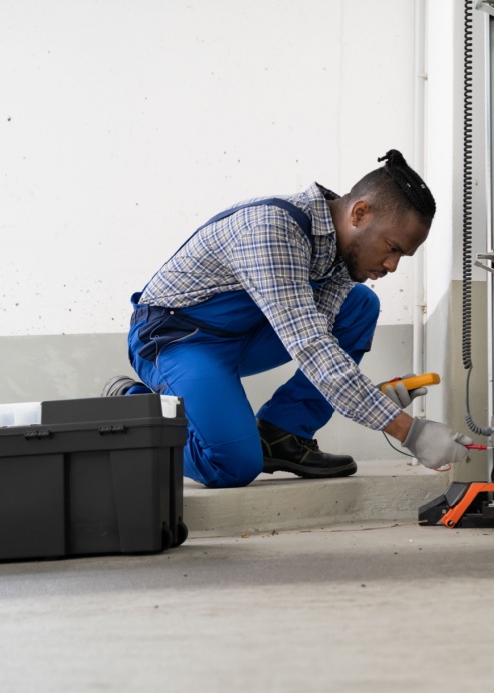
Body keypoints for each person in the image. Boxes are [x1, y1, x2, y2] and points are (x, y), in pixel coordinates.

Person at [105, 150, 472, 488]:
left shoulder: (342, 254)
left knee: (359, 305)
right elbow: (311, 348)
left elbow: (322, 342)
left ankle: (283, 434)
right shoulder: (272, 229)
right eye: (392, 248)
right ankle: (135, 409)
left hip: (245, 335)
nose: (392, 266)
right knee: (232, 464)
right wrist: (411, 432)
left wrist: (373, 398)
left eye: (402, 257)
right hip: (178, 340)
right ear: (360, 213)